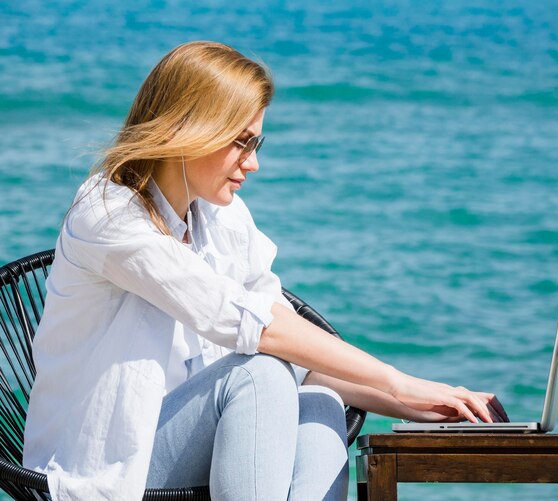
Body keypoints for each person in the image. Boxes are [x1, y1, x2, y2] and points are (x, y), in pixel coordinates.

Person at [22, 41, 508, 501]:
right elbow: (253, 326)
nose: (253, 164)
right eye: (240, 143)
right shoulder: (108, 215)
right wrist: (400, 380)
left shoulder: (220, 215)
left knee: (318, 402)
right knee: (259, 373)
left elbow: (296, 355)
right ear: (183, 129)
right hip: (106, 465)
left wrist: (422, 404)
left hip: (198, 442)